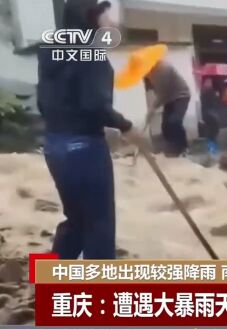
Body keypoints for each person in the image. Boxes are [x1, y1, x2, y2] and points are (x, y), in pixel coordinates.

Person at [37, 0, 144, 259]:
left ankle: (51, 282)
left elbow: (43, 103)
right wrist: (127, 127)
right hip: (84, 149)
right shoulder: (91, 53)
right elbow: (95, 104)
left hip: (54, 146)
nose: (109, 22)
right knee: (99, 224)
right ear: (90, 18)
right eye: (104, 15)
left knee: (76, 219)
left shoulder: (52, 52)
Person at [143, 60, 191, 157]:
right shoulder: (152, 76)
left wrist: (153, 108)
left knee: (174, 121)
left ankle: (183, 148)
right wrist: (153, 108)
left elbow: (163, 94)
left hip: (181, 96)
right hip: (169, 99)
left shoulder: (162, 70)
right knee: (165, 126)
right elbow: (161, 94)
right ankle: (172, 148)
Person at [199, 76, 222, 155]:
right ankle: (212, 151)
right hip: (210, 115)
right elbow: (214, 103)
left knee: (211, 133)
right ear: (206, 83)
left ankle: (212, 150)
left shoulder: (203, 91)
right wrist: (216, 95)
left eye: (210, 82)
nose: (210, 83)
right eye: (209, 82)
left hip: (207, 114)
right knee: (213, 132)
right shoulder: (209, 91)